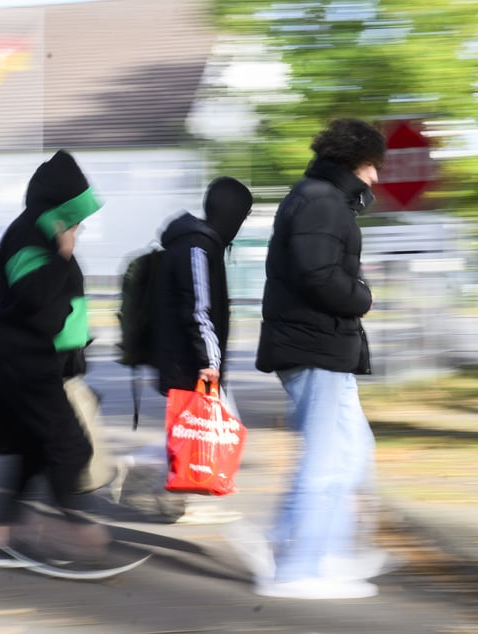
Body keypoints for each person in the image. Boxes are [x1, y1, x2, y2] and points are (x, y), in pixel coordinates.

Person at [252, 117, 386, 599]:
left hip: (321, 344)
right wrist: (363, 296)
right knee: (329, 458)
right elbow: (318, 276)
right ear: (355, 161)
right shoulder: (321, 202)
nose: (376, 178)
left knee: (354, 450)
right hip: (314, 346)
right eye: (373, 166)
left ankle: (307, 546)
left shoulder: (320, 199)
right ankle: (298, 568)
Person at [0, 149, 109, 565]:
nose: (80, 226)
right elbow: (36, 302)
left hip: (35, 362)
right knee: (69, 446)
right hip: (25, 362)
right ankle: (71, 534)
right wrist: (61, 255)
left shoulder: (41, 236)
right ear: (57, 210)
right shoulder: (29, 239)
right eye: (75, 217)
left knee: (33, 448)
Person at [153, 176, 254, 396]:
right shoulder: (197, 247)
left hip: (191, 368)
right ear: (231, 212)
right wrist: (209, 361)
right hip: (193, 371)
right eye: (243, 216)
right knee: (202, 429)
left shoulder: (201, 243)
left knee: (199, 430)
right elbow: (197, 309)